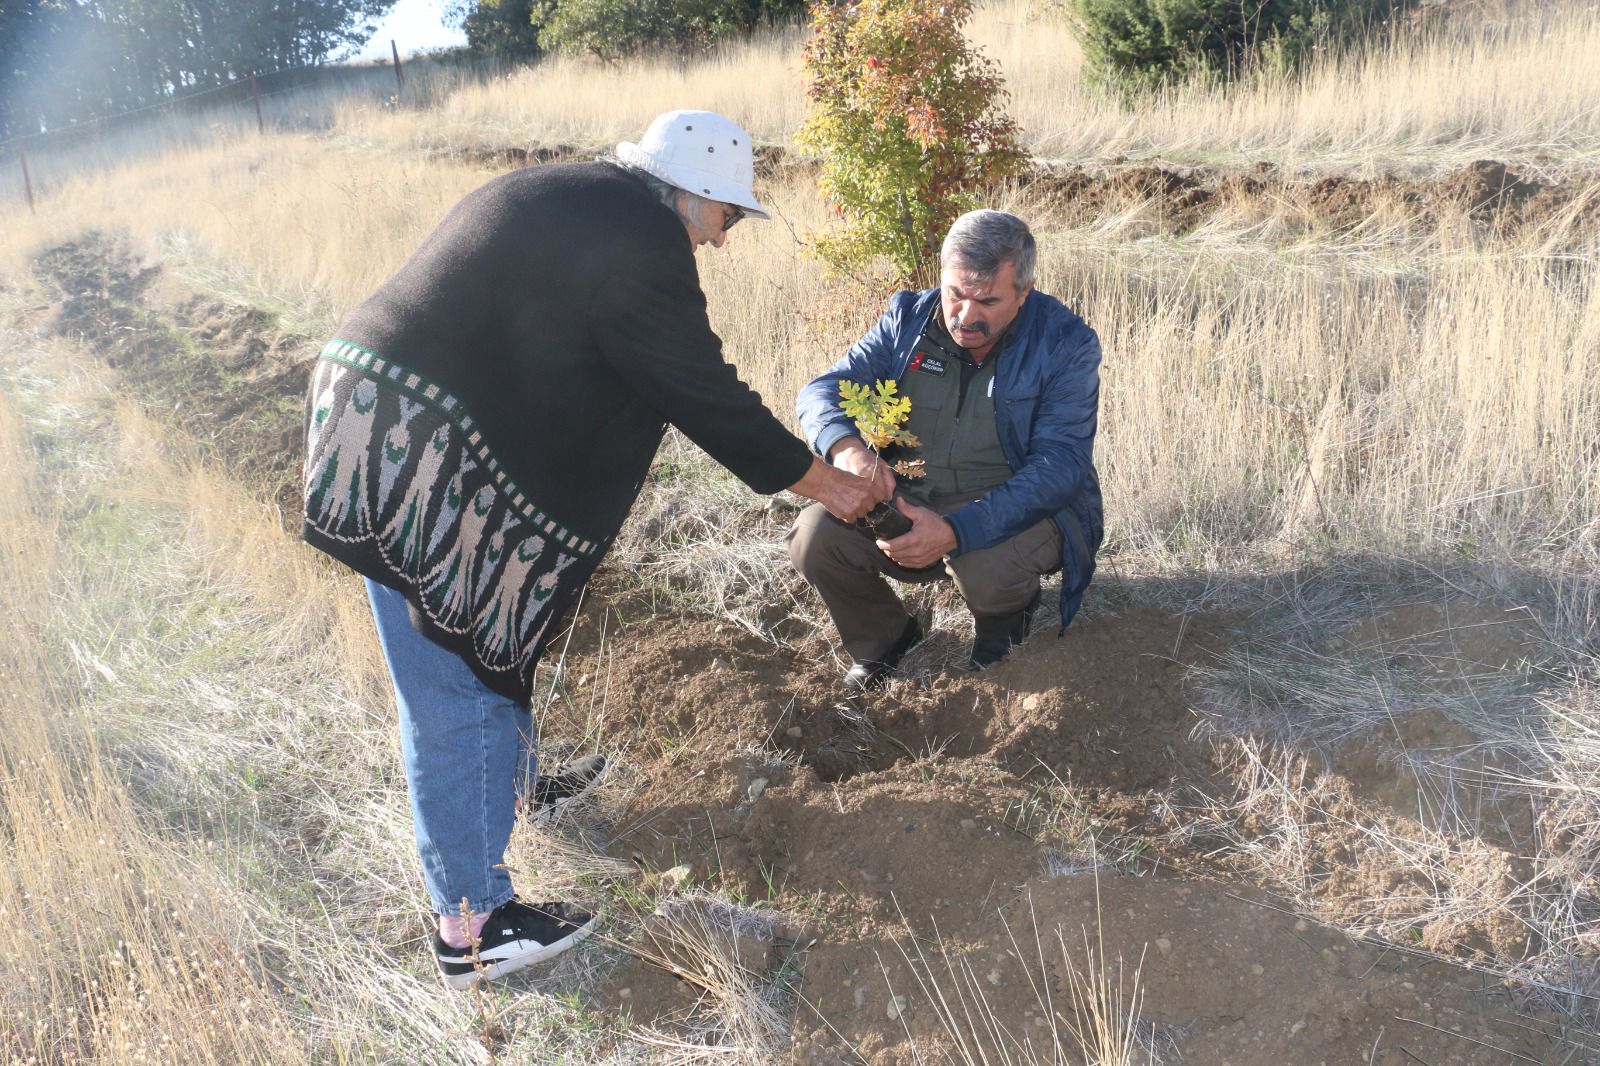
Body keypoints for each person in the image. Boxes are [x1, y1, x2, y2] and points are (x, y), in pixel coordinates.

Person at [300, 110, 885, 989]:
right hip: (416, 439)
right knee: (449, 672)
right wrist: (833, 486)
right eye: (727, 218)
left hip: (392, 413)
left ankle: (518, 786)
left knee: (485, 620)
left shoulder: (584, 198)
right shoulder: (641, 241)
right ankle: (473, 926)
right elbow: (704, 393)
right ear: (692, 196)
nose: (723, 241)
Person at [789, 209, 1103, 688]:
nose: (966, 316)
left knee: (983, 563)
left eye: (988, 302)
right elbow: (821, 391)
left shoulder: (1064, 343)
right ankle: (886, 640)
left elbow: (1062, 466)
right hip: (908, 496)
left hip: (1011, 509)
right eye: (955, 294)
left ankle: (1004, 632)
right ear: (941, 277)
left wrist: (957, 530)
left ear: (1023, 292)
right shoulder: (907, 320)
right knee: (815, 538)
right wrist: (847, 449)